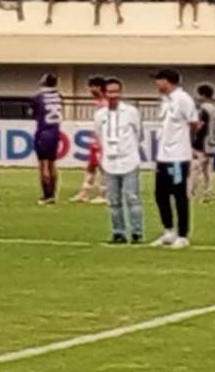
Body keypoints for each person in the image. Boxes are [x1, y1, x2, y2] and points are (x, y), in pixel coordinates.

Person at [152, 68, 199, 248]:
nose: (156, 84)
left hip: (178, 156)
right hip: (163, 155)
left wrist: (187, 144)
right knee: (161, 194)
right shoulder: (166, 100)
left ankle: (183, 234)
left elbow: (194, 122)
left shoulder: (183, 99)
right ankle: (168, 230)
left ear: (167, 81)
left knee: (179, 195)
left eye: (158, 80)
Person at [96, 77, 144, 244]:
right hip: (109, 162)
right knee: (113, 201)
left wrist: (128, 149)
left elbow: (139, 134)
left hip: (129, 160)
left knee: (132, 198)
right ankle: (118, 232)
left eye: (116, 91)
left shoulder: (131, 112)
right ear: (104, 93)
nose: (113, 95)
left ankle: (137, 232)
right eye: (110, 92)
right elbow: (98, 136)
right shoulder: (100, 115)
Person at [70, 75, 108, 204]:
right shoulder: (99, 102)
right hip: (96, 139)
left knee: (103, 166)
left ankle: (104, 194)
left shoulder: (106, 103)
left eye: (92, 87)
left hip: (103, 140)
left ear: (99, 87)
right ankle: (84, 193)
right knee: (91, 166)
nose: (91, 90)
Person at [190, 83, 215, 202]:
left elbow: (199, 126)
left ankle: (191, 194)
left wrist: (193, 140)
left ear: (203, 95)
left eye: (198, 95)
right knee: (208, 171)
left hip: (202, 142)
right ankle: (208, 195)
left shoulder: (202, 109)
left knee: (195, 168)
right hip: (212, 142)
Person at [33, 73, 63, 205]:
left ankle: (47, 195)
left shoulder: (38, 97)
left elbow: (34, 114)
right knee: (53, 164)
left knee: (43, 165)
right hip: (55, 131)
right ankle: (53, 194)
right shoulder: (59, 97)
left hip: (43, 132)